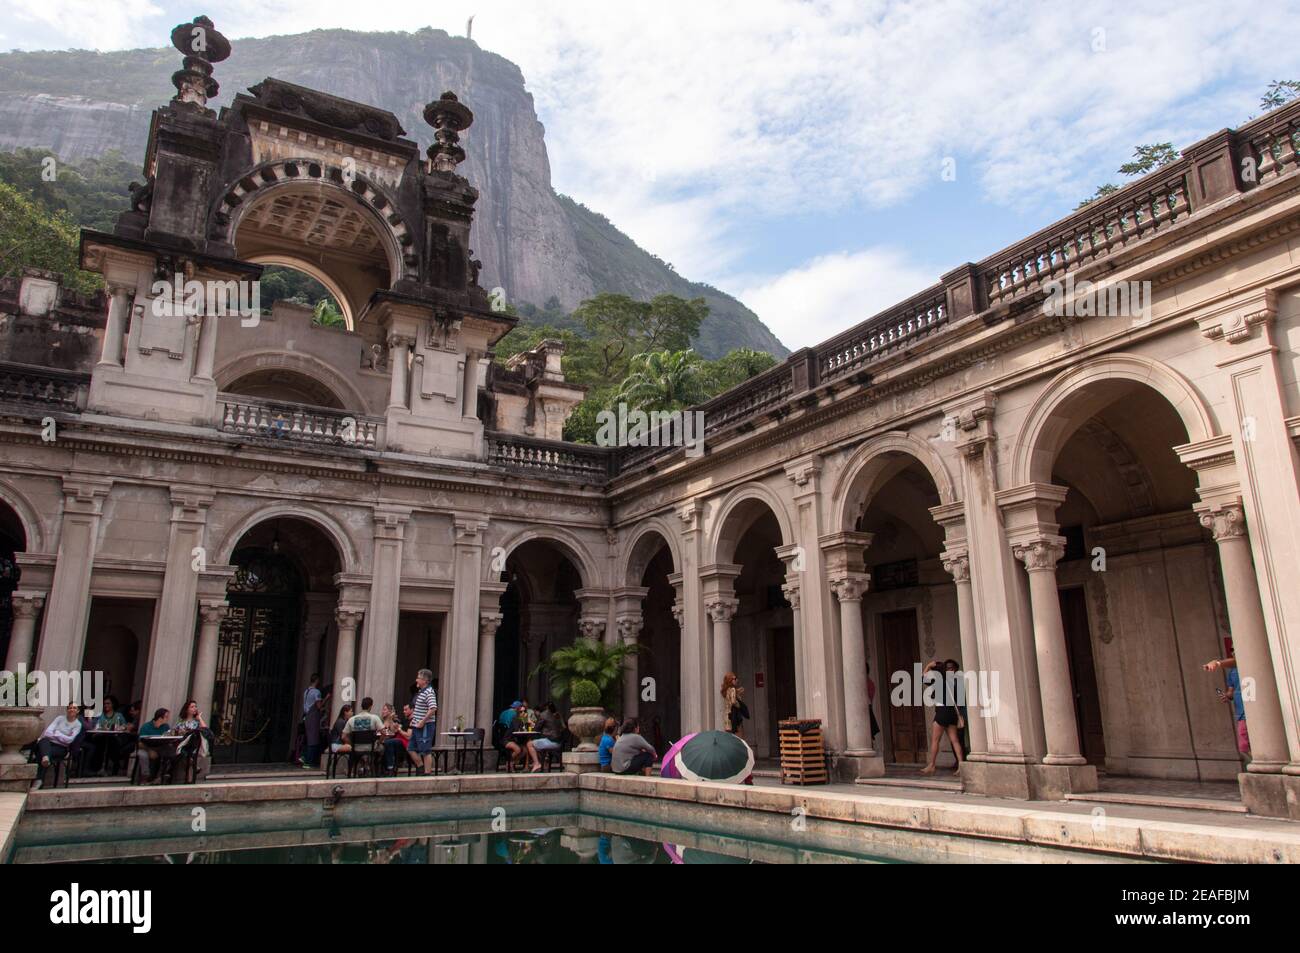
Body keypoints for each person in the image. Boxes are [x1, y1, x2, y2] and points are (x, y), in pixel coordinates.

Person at [920, 659, 965, 775]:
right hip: (952, 713)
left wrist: (929, 666)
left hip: (942, 711)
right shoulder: (957, 682)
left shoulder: (940, 680)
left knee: (935, 740)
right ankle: (961, 765)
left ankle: (932, 765)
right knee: (955, 740)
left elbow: (923, 678)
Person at [1205, 655, 1250, 760]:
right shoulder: (1233, 672)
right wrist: (1227, 696)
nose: (1234, 652)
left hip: (1252, 708)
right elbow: (1231, 692)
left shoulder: (1246, 663)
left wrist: (1217, 663)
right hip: (1241, 711)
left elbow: (1236, 661)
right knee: (1244, 745)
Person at [34, 703, 83, 788]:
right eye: (70, 708)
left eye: (74, 708)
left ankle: (39, 779)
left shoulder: (77, 724)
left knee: (41, 753)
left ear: (78, 711)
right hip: (48, 743)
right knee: (43, 740)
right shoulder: (60, 718)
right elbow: (47, 733)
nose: (72, 709)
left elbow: (69, 740)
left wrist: (56, 733)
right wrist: (63, 736)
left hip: (61, 748)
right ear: (67, 709)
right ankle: (45, 759)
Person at [88, 695, 128, 775]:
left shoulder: (118, 716)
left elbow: (125, 726)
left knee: (112, 742)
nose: (106, 705)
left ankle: (111, 767)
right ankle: (98, 768)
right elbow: (94, 726)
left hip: (114, 738)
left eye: (108, 703)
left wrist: (121, 728)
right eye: (105, 704)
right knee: (102, 742)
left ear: (113, 704)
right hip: (99, 737)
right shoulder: (99, 715)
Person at [408, 669, 438, 775]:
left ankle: (427, 772)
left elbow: (433, 708)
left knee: (425, 750)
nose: (416, 680)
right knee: (411, 748)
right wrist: (414, 720)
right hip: (417, 725)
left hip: (425, 726)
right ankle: (420, 767)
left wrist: (423, 721)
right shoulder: (421, 692)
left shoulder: (429, 692)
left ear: (425, 680)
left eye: (418, 678)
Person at [136, 708, 171, 784]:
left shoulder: (166, 727)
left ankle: (161, 776)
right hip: (146, 748)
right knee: (142, 755)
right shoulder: (146, 727)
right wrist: (149, 750)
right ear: (160, 718)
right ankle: (145, 777)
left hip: (160, 747)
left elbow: (168, 738)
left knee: (169, 753)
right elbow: (140, 743)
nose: (168, 719)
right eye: (166, 717)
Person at [526, 702, 564, 772]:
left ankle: (537, 764)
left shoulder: (543, 715)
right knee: (536, 744)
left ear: (538, 711)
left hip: (552, 741)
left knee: (529, 744)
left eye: (535, 712)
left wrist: (531, 724)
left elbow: (537, 728)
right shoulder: (552, 714)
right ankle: (543, 763)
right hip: (558, 741)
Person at [300, 673, 327, 769]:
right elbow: (319, 706)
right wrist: (326, 699)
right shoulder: (316, 692)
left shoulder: (306, 691)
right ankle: (308, 760)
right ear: (317, 681)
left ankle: (304, 756)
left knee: (308, 737)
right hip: (313, 716)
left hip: (306, 716)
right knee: (313, 739)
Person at [381, 703, 411, 774]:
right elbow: (380, 732)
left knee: (386, 743)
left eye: (385, 709)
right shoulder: (380, 720)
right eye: (382, 709)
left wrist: (390, 720)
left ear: (390, 712)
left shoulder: (396, 720)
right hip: (382, 740)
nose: (382, 711)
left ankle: (390, 767)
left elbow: (392, 732)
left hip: (394, 741)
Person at [496, 700, 526, 770]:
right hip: (507, 739)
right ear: (518, 708)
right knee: (518, 749)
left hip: (502, 736)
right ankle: (510, 763)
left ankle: (511, 763)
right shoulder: (515, 715)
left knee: (525, 750)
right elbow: (515, 729)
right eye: (521, 710)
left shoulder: (503, 712)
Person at [721, 672, 748, 736]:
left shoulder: (727, 690)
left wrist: (738, 691)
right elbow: (733, 701)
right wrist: (740, 705)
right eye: (735, 679)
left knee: (730, 736)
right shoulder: (733, 689)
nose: (737, 680)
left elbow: (730, 698)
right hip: (734, 716)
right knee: (739, 736)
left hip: (728, 716)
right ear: (730, 680)